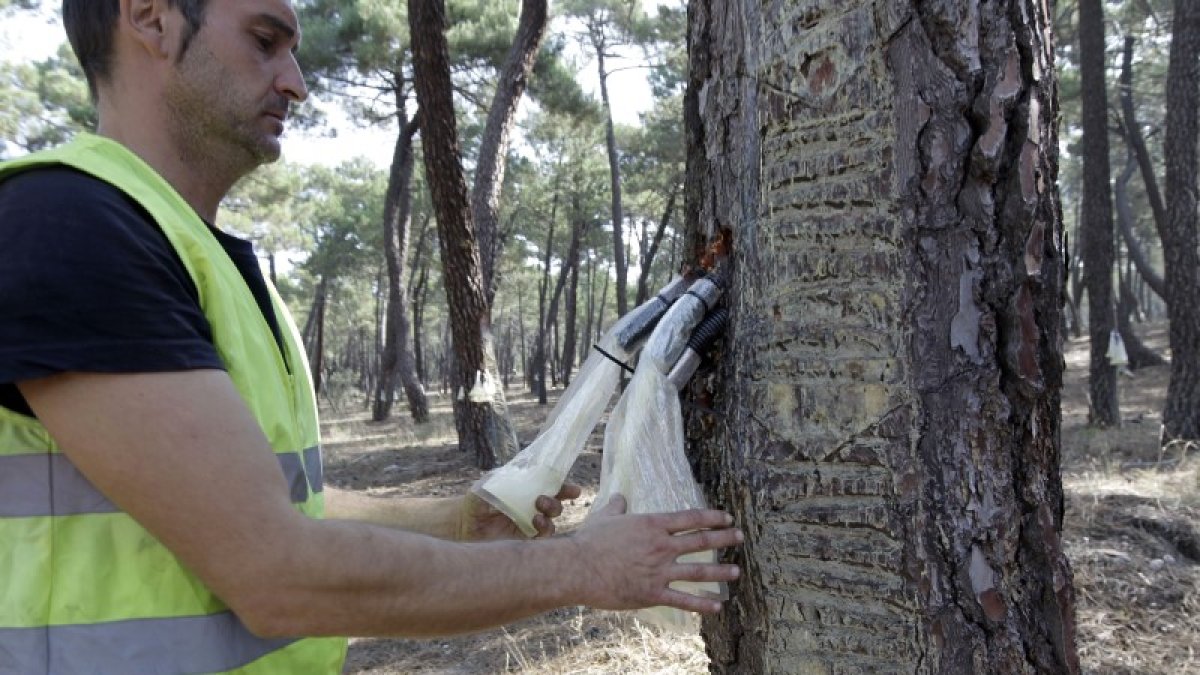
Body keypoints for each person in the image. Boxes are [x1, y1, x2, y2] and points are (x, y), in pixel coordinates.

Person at [0, 0, 742, 673]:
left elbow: (275, 504)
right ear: (151, 17)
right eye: (264, 40)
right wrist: (581, 567)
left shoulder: (189, 252)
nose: (296, 83)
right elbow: (279, 573)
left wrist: (455, 522)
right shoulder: (72, 228)